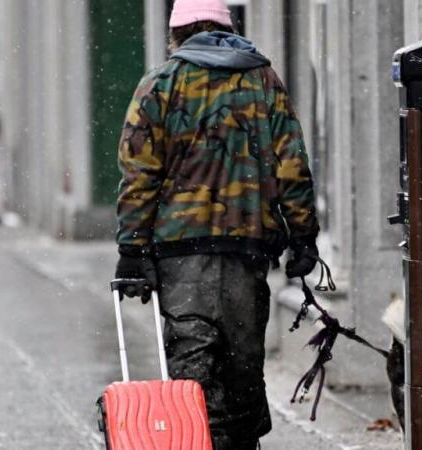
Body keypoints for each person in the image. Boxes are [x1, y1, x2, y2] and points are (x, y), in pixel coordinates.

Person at [113, 0, 321, 447]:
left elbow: (139, 172)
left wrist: (132, 249)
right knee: (243, 367)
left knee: (193, 370)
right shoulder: (262, 79)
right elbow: (291, 164)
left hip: (180, 254)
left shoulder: (161, 83)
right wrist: (303, 235)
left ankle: (197, 440)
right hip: (248, 250)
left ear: (177, 33)